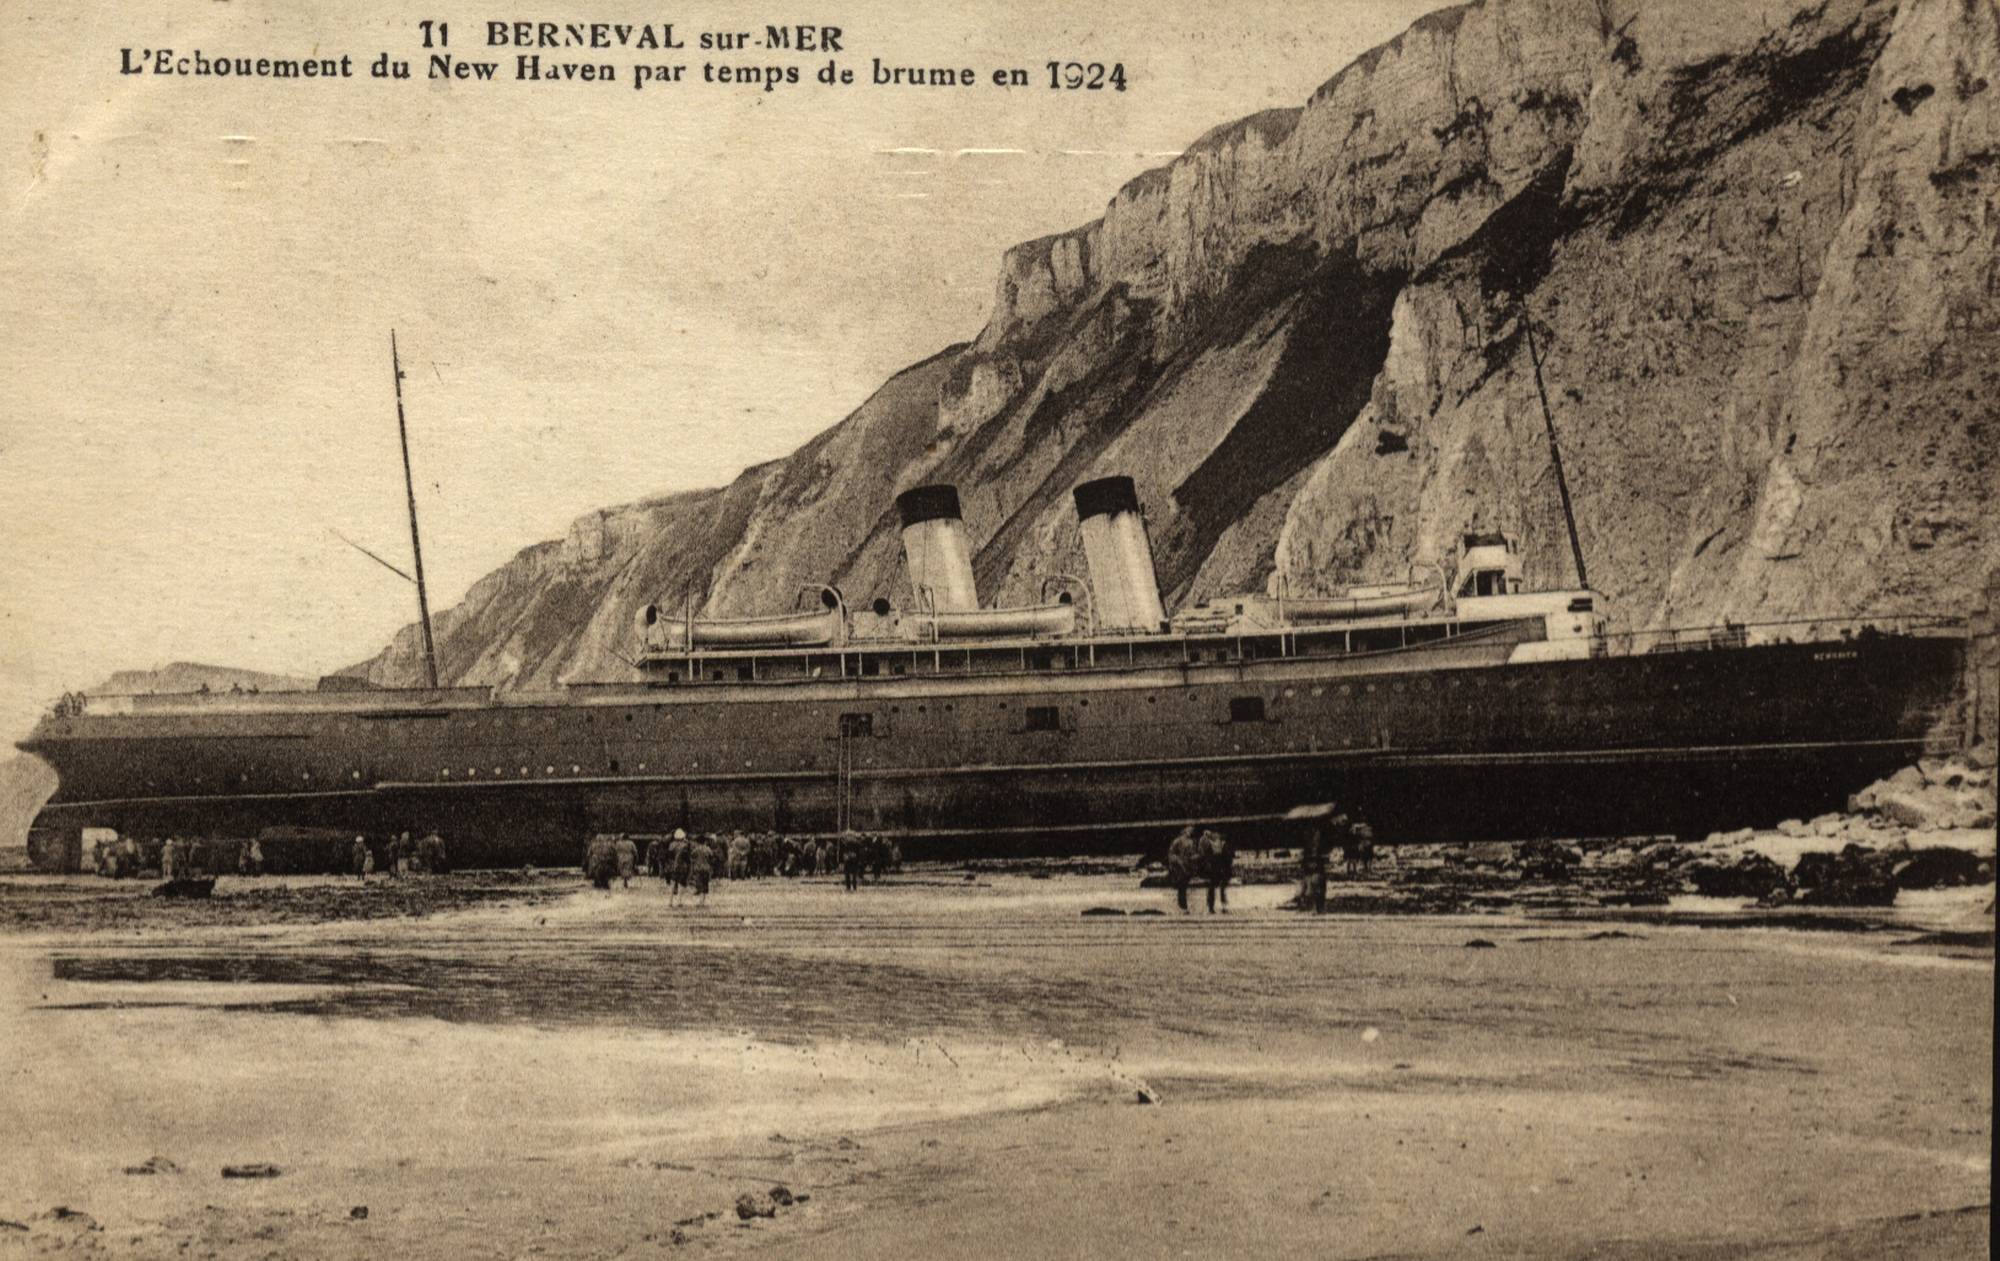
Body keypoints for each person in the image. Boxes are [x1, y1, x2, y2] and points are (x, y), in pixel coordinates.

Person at [688, 835, 715, 905]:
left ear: (697, 842)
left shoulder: (696, 849)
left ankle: (700, 900)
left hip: (698, 868)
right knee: (705, 884)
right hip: (706, 868)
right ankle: (702, 901)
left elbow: (691, 856)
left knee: (699, 884)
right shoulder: (708, 849)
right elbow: (712, 857)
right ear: (704, 841)